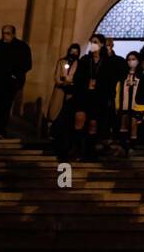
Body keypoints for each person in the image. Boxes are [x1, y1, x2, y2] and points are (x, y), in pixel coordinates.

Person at [69, 33, 119, 161]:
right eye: (91, 42)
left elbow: (110, 81)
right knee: (79, 118)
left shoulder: (107, 62)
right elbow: (78, 77)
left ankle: (89, 152)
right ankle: (77, 149)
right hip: (84, 95)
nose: (93, 44)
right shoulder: (85, 60)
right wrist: (87, 83)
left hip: (98, 97)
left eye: (95, 42)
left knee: (93, 123)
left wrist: (99, 85)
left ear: (101, 44)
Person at [46, 43, 81, 137]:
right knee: (56, 109)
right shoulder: (62, 61)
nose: (73, 53)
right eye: (72, 51)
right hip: (60, 88)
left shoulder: (79, 63)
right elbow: (57, 75)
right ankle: (52, 130)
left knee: (67, 110)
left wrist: (70, 83)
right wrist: (61, 82)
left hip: (71, 90)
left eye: (76, 52)